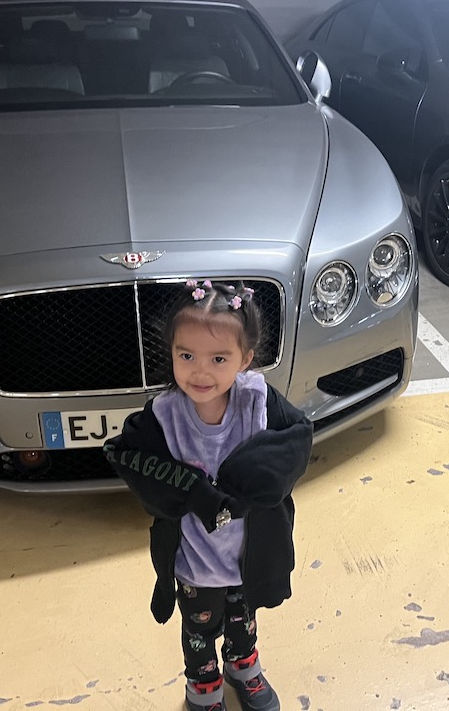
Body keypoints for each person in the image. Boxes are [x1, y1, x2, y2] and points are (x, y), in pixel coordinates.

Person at [103, 279, 313, 711]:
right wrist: (192, 490)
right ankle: (203, 687)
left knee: (243, 620)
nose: (200, 372)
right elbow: (124, 454)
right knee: (198, 631)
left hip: (247, 555)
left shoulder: (258, 402)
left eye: (219, 359)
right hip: (195, 561)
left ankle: (243, 667)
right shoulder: (165, 415)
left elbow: (296, 440)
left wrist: (244, 485)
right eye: (187, 356)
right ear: (171, 353)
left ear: (245, 359)